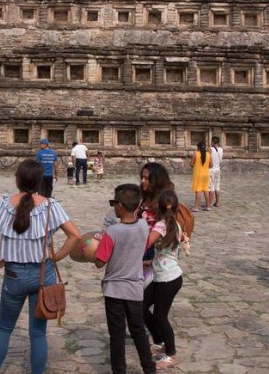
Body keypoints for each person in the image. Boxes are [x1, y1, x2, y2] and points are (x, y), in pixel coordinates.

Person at [0, 159, 81, 374]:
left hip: (14, 274)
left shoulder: (3, 205)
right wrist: (56, 257)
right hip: (43, 273)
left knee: (4, 327)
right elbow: (75, 235)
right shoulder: (50, 206)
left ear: (17, 180)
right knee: (38, 333)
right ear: (40, 181)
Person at [95, 184, 157, 374]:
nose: (113, 207)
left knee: (117, 335)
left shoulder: (113, 232)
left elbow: (99, 262)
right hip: (135, 288)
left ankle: (119, 370)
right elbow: (143, 247)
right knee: (138, 331)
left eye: (113, 203)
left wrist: (92, 247)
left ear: (120, 205)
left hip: (114, 290)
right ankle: (149, 368)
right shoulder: (143, 227)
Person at [143, 190, 184, 370]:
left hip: (168, 279)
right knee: (141, 305)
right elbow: (167, 252)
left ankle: (172, 354)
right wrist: (151, 261)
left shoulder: (161, 225)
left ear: (158, 208)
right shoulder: (176, 224)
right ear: (176, 208)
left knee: (160, 316)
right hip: (164, 275)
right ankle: (159, 341)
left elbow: (145, 243)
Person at [189, 141, 212, 211]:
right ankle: (208, 206)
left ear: (198, 147)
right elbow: (211, 165)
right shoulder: (208, 154)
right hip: (206, 174)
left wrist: (196, 165)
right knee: (206, 190)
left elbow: (191, 164)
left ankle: (196, 207)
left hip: (198, 174)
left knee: (198, 190)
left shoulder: (196, 154)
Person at [209, 136, 224, 207]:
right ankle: (217, 202)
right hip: (218, 169)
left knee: (211, 186)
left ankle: (210, 203)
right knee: (217, 186)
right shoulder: (221, 149)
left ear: (212, 141)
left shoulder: (210, 149)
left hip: (211, 169)